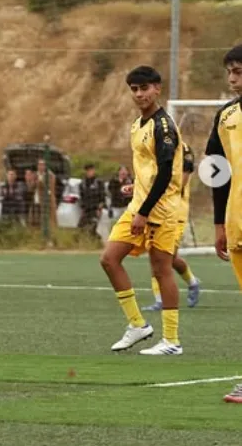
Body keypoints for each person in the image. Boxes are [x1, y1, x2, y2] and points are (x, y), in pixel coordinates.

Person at [101, 66, 184, 356]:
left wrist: (144, 211)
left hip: (160, 210)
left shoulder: (164, 127)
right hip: (140, 204)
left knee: (161, 270)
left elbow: (165, 173)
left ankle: (171, 341)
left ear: (157, 88)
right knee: (109, 259)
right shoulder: (138, 125)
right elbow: (149, 169)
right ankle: (137, 325)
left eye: (144, 88)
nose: (139, 94)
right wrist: (136, 186)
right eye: (134, 89)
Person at [204, 45, 242, 402]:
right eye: (230, 72)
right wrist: (219, 223)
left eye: (239, 72)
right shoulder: (226, 116)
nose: (232, 79)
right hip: (237, 223)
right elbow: (218, 174)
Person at [138, 141, 201, 311]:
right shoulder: (154, 146)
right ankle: (162, 298)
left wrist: (157, 186)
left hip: (176, 212)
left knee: (166, 258)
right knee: (157, 256)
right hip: (156, 211)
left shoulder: (184, 149)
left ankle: (190, 283)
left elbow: (181, 182)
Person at [78, 164, 105, 237]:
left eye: (91, 170)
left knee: (93, 228)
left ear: (94, 171)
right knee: (80, 227)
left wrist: (99, 209)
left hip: (95, 209)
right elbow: (82, 198)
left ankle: (97, 240)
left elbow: (102, 198)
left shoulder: (98, 183)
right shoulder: (82, 184)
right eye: (88, 170)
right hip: (86, 210)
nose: (90, 172)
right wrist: (83, 210)